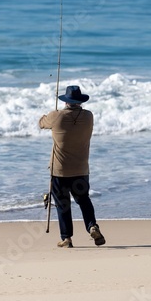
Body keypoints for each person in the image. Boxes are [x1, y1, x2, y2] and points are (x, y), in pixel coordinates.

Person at [39, 85, 105, 248]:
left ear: (66, 101)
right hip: (81, 169)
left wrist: (50, 114)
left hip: (59, 170)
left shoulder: (56, 116)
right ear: (79, 101)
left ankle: (67, 238)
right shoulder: (89, 116)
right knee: (83, 200)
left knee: (63, 204)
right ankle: (92, 226)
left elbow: (41, 123)